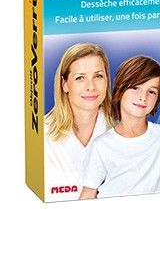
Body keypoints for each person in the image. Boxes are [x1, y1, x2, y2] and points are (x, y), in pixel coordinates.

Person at [80, 56, 160, 199]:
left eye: (151, 91)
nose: (143, 97)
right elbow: (88, 193)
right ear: (120, 90)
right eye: (135, 88)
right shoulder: (100, 146)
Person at [44, 43, 112, 201]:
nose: (91, 87)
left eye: (98, 76)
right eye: (80, 78)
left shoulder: (122, 128)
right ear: (65, 84)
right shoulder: (42, 134)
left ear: (107, 80)